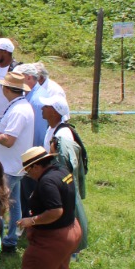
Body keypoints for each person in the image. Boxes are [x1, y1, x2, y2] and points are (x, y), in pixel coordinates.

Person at [6, 147, 82, 269]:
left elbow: (56, 210)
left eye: (29, 170)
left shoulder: (47, 182)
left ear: (38, 165)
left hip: (51, 240)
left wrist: (32, 220)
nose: (29, 175)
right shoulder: (62, 171)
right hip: (69, 232)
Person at [0, 70, 34, 251]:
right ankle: (11, 239)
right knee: (14, 204)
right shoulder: (19, 106)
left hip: (10, 167)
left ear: (7, 89)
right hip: (14, 165)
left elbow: (8, 141)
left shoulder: (19, 110)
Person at [45, 98, 89, 252]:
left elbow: (64, 163)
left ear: (55, 112)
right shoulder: (52, 128)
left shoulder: (62, 134)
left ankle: (72, 247)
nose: (43, 107)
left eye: (47, 106)